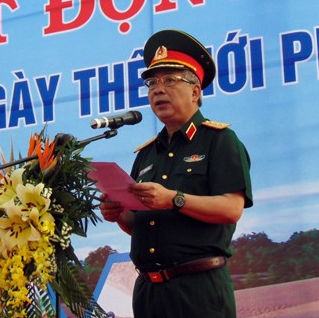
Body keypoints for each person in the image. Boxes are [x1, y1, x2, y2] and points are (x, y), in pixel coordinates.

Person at [100, 29, 253, 318]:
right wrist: (119, 213)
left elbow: (232, 209)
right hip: (148, 291)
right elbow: (141, 224)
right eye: (152, 83)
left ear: (195, 91)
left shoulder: (220, 141)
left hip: (198, 290)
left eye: (170, 80)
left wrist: (174, 199)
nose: (158, 89)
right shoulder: (146, 154)